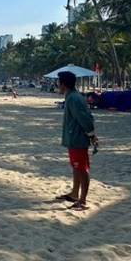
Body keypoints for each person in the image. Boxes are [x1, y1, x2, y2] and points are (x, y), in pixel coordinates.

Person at [55, 71, 99, 211]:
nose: (57, 85)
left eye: (58, 83)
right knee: (76, 166)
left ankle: (83, 200)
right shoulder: (72, 96)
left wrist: (91, 135)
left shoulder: (73, 98)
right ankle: (74, 193)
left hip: (77, 138)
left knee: (81, 168)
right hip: (73, 138)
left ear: (63, 84)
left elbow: (84, 119)